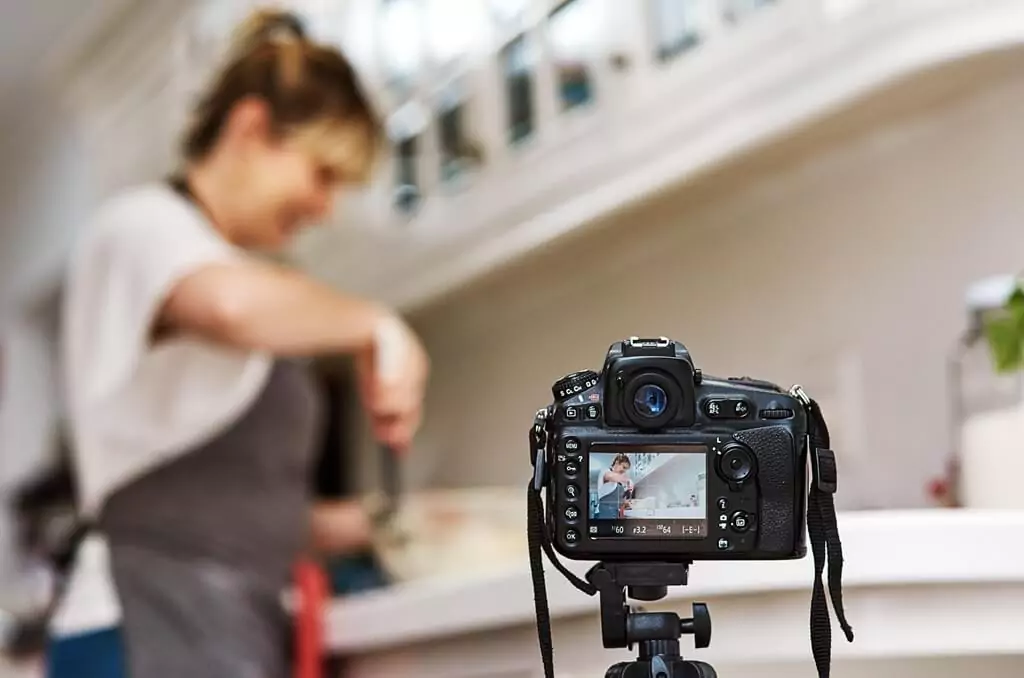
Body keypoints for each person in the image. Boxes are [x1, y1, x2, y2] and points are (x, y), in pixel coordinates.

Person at [47, 9, 429, 678]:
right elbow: (227, 304)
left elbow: (240, 512)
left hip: (227, 628)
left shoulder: (251, 284)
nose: (326, 206)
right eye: (322, 172)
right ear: (251, 129)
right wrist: (377, 323)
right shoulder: (140, 226)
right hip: (142, 624)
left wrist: (389, 522)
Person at [595, 454, 633, 520]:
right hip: (604, 513)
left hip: (614, 513)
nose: (624, 471)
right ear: (617, 462)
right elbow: (611, 476)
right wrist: (628, 481)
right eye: (623, 467)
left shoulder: (617, 483)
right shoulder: (606, 472)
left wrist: (625, 503)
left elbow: (619, 501)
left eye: (626, 469)